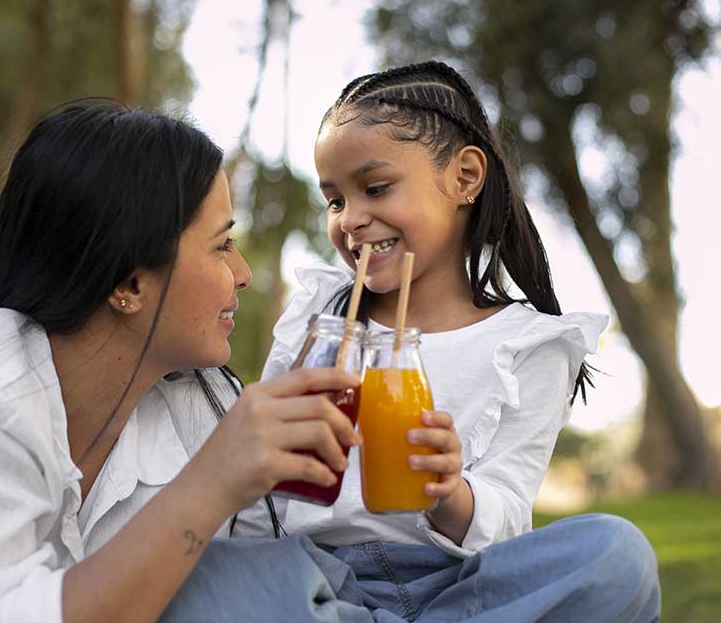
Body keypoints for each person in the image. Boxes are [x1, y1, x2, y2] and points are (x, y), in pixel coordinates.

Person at [0, 102, 363, 623]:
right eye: (222, 246)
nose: (243, 273)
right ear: (129, 282)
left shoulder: (191, 400)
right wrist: (210, 482)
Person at [259, 61, 661, 621]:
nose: (349, 219)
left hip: (461, 590)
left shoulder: (529, 345)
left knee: (616, 554)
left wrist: (450, 492)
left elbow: (508, 514)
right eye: (334, 200)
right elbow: (262, 489)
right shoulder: (319, 316)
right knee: (221, 568)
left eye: (375, 188)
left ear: (465, 178)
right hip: (313, 580)